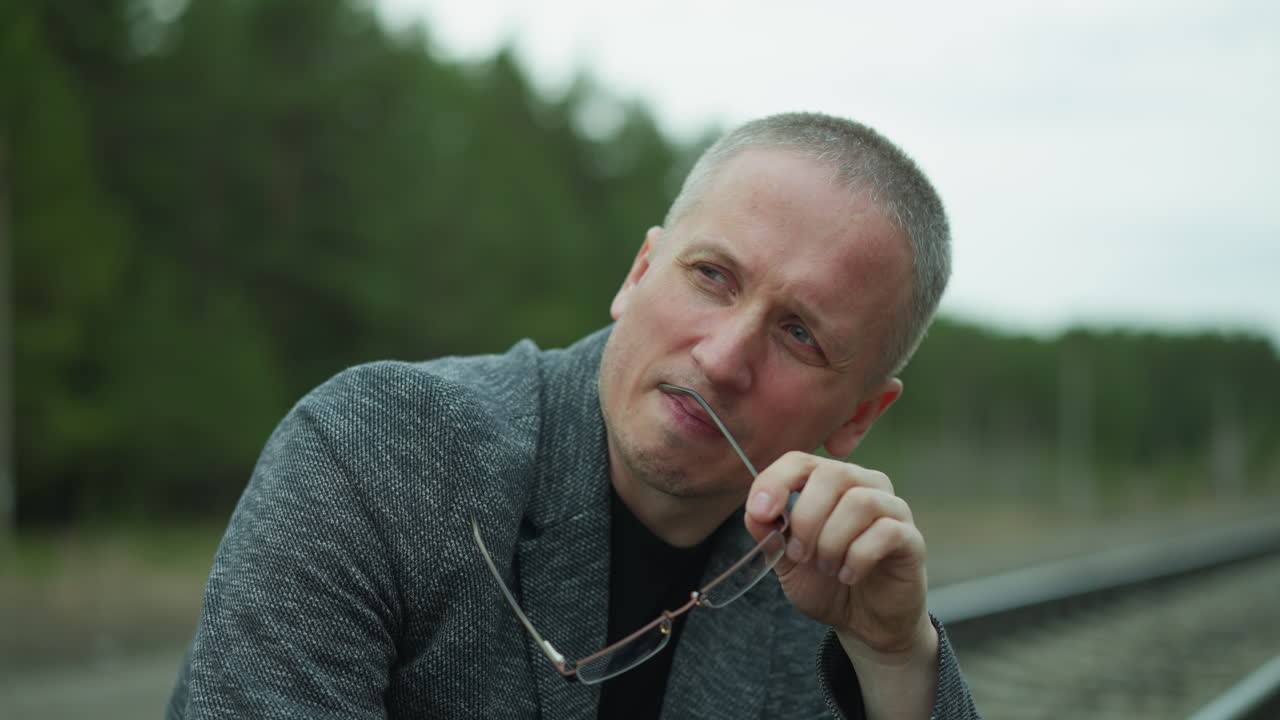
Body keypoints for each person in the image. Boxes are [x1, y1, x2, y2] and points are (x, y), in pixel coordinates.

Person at [167, 112, 980, 719]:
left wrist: (895, 664)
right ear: (639, 273)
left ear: (858, 419)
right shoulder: (378, 449)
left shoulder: (832, 592)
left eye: (800, 335)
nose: (725, 357)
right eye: (712, 276)